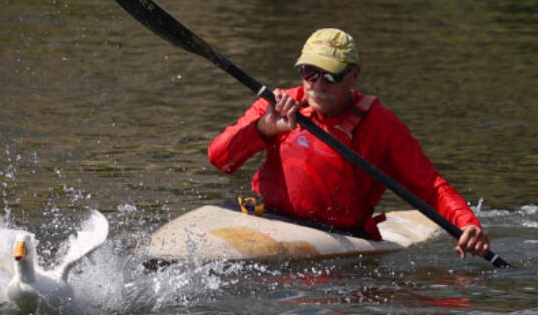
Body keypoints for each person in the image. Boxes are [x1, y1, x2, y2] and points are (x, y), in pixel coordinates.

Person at [208, 28, 491, 259]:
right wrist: (262, 129)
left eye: (331, 76)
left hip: (340, 240)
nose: (318, 85)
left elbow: (430, 187)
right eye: (309, 73)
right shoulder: (278, 105)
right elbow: (220, 160)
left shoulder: (379, 124)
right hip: (268, 220)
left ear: (354, 75)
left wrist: (467, 223)